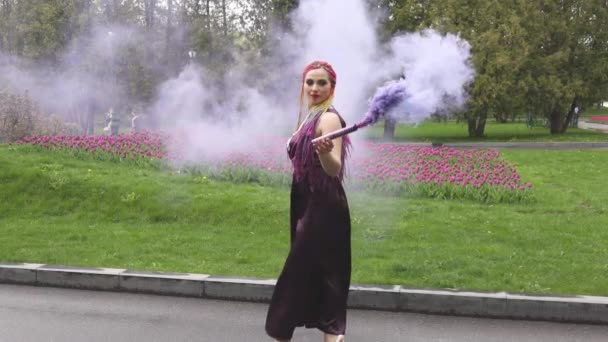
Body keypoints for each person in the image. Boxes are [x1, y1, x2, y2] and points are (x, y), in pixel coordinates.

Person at [265, 61, 352, 342]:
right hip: (305, 199)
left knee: (299, 271)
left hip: (323, 204)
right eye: (310, 82)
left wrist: (326, 153)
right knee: (320, 271)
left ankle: (284, 333)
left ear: (332, 87)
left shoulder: (328, 119)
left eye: (321, 83)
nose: (314, 88)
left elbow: (333, 167)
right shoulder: (308, 115)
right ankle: (333, 333)